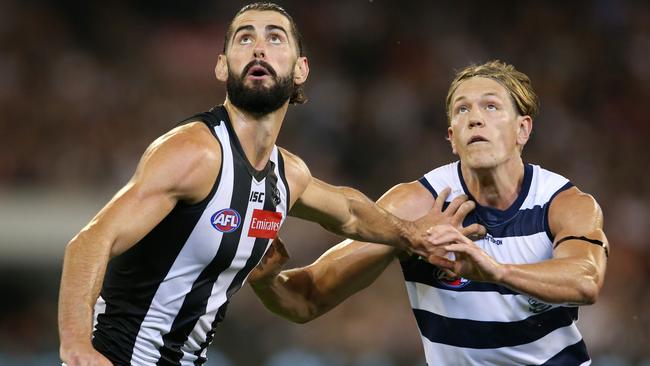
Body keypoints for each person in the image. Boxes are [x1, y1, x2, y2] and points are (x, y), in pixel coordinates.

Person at [56, 3, 465, 366]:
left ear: (300, 68)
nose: (258, 48)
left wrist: (413, 235)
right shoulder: (196, 152)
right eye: (244, 37)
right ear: (222, 65)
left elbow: (351, 212)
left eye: (275, 37)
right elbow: (90, 242)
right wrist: (77, 348)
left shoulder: (288, 175)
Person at [249, 60, 609, 365]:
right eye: (462, 109)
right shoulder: (414, 208)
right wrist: (265, 281)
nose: (475, 119)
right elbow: (307, 299)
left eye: (491, 106)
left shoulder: (563, 203)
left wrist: (494, 271)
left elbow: (586, 280)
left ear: (523, 129)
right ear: (452, 137)